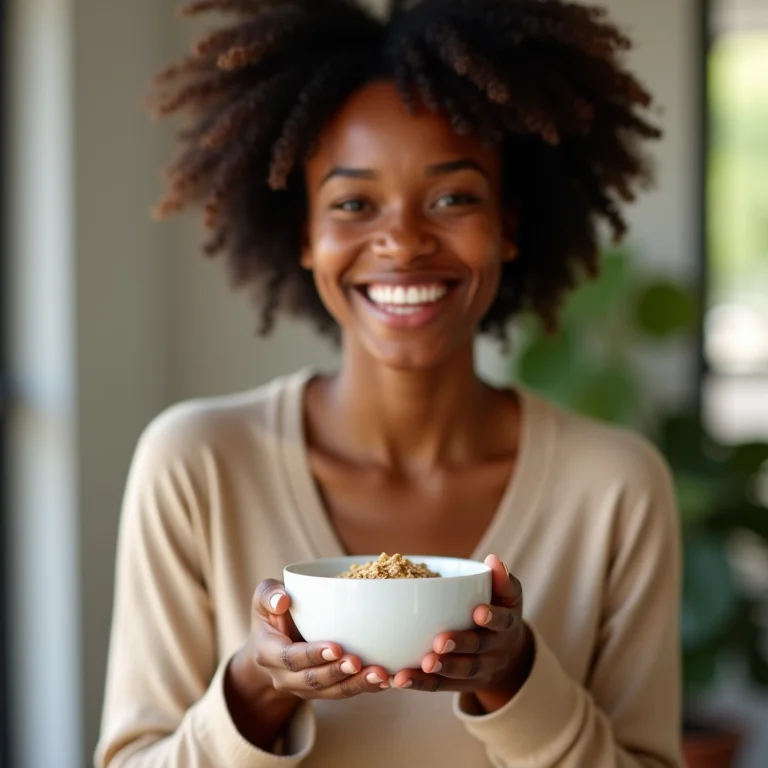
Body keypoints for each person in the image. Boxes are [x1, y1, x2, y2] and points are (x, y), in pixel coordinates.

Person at [95, 1, 683, 766]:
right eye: (353, 203)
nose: (403, 240)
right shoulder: (196, 465)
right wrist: (257, 688)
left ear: (507, 225)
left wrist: (516, 682)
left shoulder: (616, 488)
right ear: (305, 234)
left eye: (452, 198)